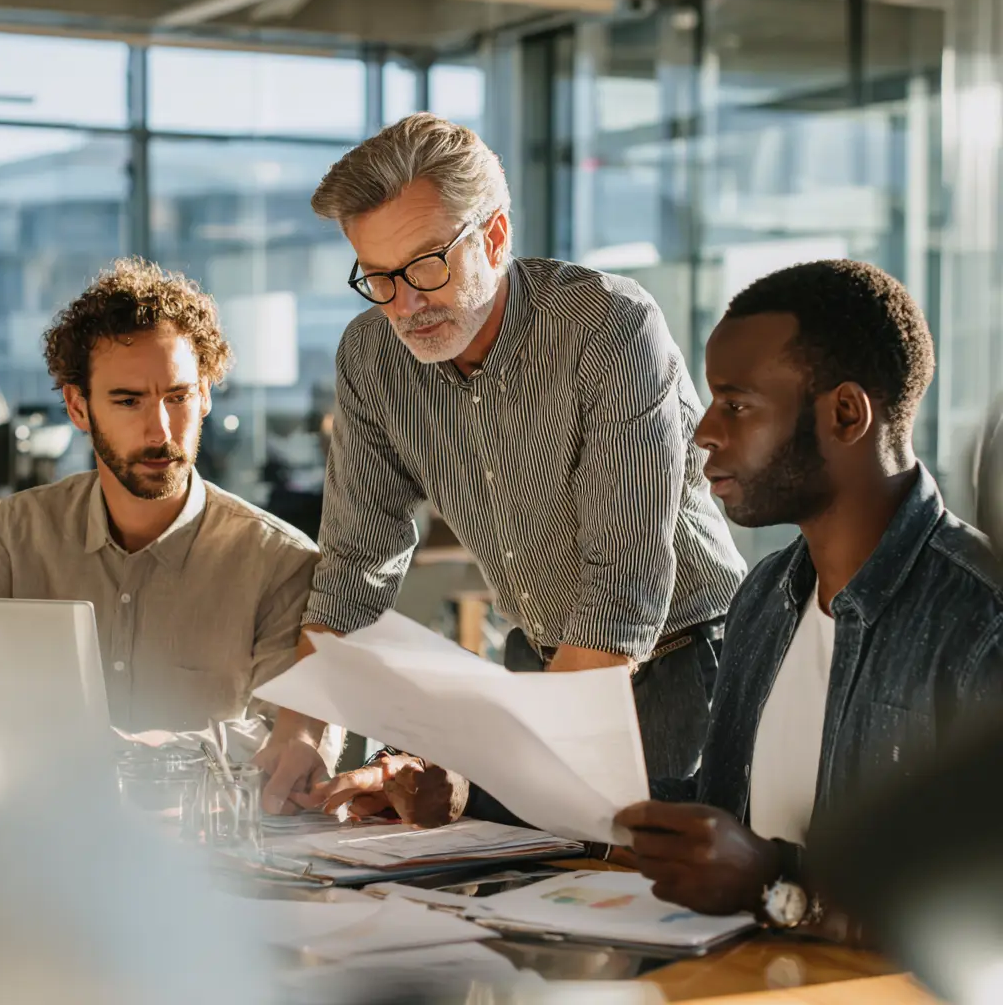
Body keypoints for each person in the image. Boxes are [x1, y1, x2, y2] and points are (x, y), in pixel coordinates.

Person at [256, 111, 746, 815]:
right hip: (537, 662)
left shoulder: (609, 326)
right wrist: (304, 728)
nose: (406, 304)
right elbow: (355, 566)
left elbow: (623, 589)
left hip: (684, 668)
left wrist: (498, 770)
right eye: (378, 278)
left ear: (493, 235)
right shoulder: (370, 358)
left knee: (641, 903)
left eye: (427, 264)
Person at [611, 260, 1003, 934]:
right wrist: (480, 785)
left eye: (736, 404)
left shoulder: (980, 617)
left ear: (845, 414)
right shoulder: (765, 594)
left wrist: (775, 885)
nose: (705, 430)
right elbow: (722, 811)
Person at [0, 259, 331, 765]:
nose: (160, 431)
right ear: (79, 407)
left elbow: (286, 745)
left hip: (205, 839)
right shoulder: (15, 537)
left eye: (179, 396)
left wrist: (146, 755)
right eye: (128, 401)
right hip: (33, 831)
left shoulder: (279, 563)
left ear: (205, 394)